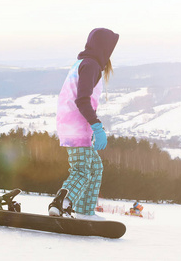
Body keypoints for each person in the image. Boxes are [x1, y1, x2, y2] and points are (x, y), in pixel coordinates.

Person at [48, 28, 119, 221]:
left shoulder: (83, 63)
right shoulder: (91, 65)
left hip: (73, 125)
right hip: (76, 127)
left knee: (95, 166)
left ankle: (84, 212)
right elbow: (82, 100)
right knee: (82, 170)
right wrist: (97, 126)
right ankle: (60, 203)